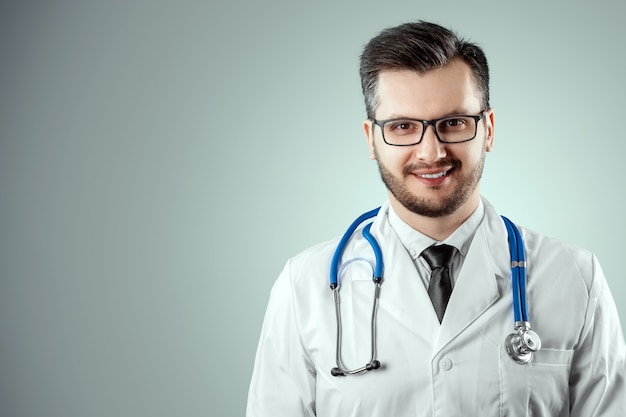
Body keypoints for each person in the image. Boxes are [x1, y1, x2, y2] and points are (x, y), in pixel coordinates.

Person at [246, 21, 626, 416]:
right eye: (402, 126)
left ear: (489, 130)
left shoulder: (573, 277)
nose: (430, 152)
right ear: (371, 139)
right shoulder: (304, 286)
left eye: (454, 122)